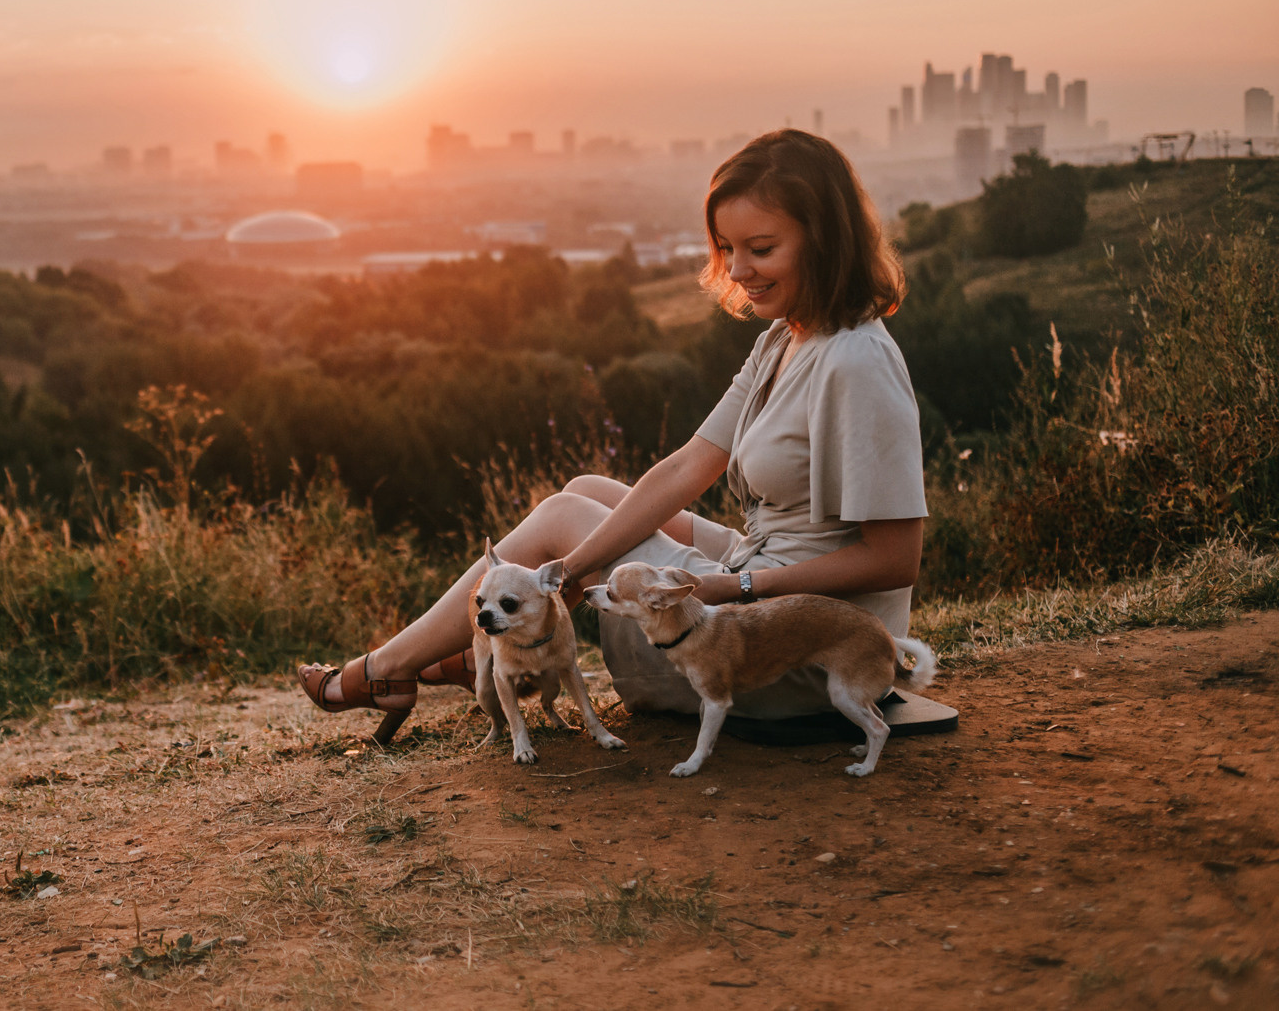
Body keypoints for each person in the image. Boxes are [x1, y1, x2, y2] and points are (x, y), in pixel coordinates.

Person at [298, 128, 947, 740]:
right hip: (761, 580)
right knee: (586, 493)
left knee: (562, 517)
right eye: (728, 248)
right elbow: (689, 465)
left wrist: (729, 586)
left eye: (762, 247)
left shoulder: (857, 362)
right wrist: (572, 569)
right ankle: (474, 653)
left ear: (824, 239)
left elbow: (894, 559)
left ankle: (386, 669)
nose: (739, 268)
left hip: (791, 653)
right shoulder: (786, 336)